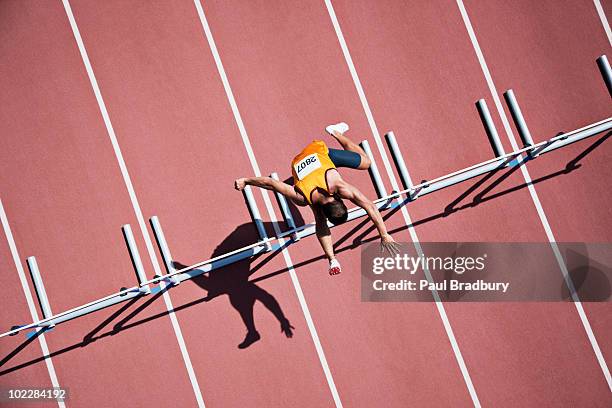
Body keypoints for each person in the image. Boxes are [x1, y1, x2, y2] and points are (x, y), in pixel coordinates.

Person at [234, 122, 399, 275]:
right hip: (314, 154)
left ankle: (332, 258)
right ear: (340, 197)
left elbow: (270, 182)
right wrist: (246, 181)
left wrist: (385, 235)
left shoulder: (337, 188)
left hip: (312, 157)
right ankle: (335, 132)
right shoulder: (311, 195)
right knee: (367, 163)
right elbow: (270, 183)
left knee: (363, 165)